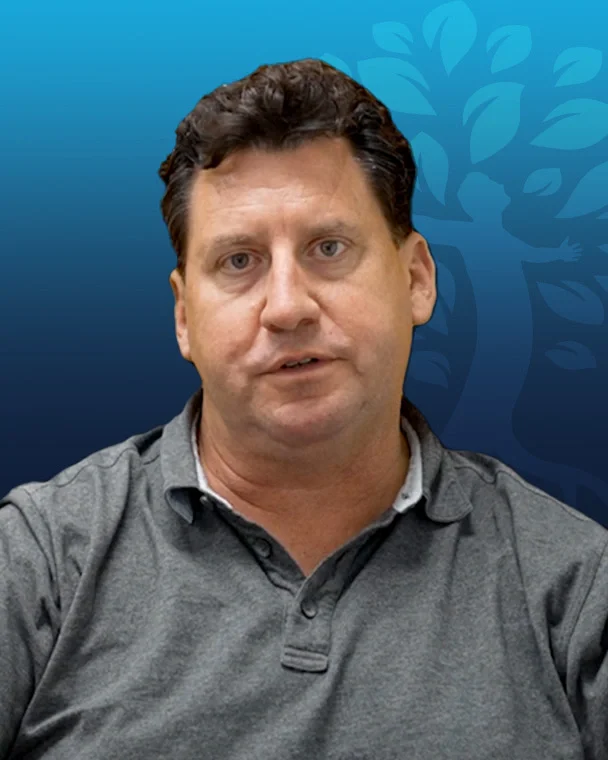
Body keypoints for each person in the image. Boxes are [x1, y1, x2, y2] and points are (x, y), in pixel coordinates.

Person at [1, 58, 606, 760]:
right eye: (239, 261)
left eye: (328, 248)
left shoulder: (574, 588)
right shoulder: (38, 563)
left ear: (416, 279)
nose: (287, 307)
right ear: (184, 317)